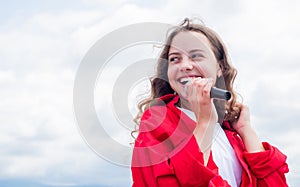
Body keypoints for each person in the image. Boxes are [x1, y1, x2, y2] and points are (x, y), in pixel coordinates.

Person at [131, 18, 289, 187]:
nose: (184, 66)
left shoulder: (231, 134)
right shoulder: (157, 123)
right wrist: (204, 122)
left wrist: (246, 130)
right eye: (175, 59)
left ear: (219, 67)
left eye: (196, 56)